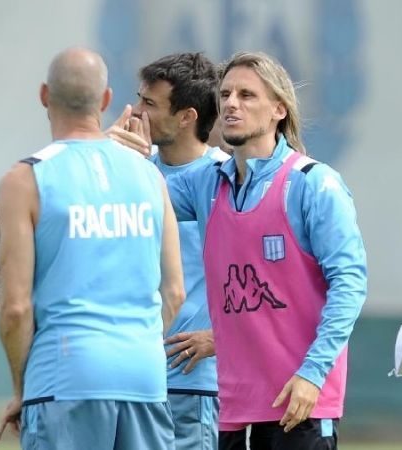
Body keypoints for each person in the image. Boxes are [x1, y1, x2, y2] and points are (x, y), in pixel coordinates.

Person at [162, 52, 367, 449]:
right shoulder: (206, 183)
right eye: (225, 94)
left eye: (246, 95)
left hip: (300, 405)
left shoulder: (313, 184)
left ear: (278, 109)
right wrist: (112, 152)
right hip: (232, 409)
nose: (231, 104)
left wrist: (313, 373)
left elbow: (349, 285)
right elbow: (139, 199)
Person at [0, 47, 185, 450]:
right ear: (106, 99)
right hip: (145, 377)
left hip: (65, 375)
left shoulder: (25, 179)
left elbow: (15, 309)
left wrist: (22, 388)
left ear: (44, 95)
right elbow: (174, 293)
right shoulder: (150, 176)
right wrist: (136, 347)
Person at [109, 52, 228, 450]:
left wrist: (222, 338)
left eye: (150, 103)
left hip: (191, 382)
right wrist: (106, 158)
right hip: (131, 376)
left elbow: (256, 272)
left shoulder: (223, 178)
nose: (135, 112)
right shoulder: (132, 169)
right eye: (138, 98)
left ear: (186, 117)